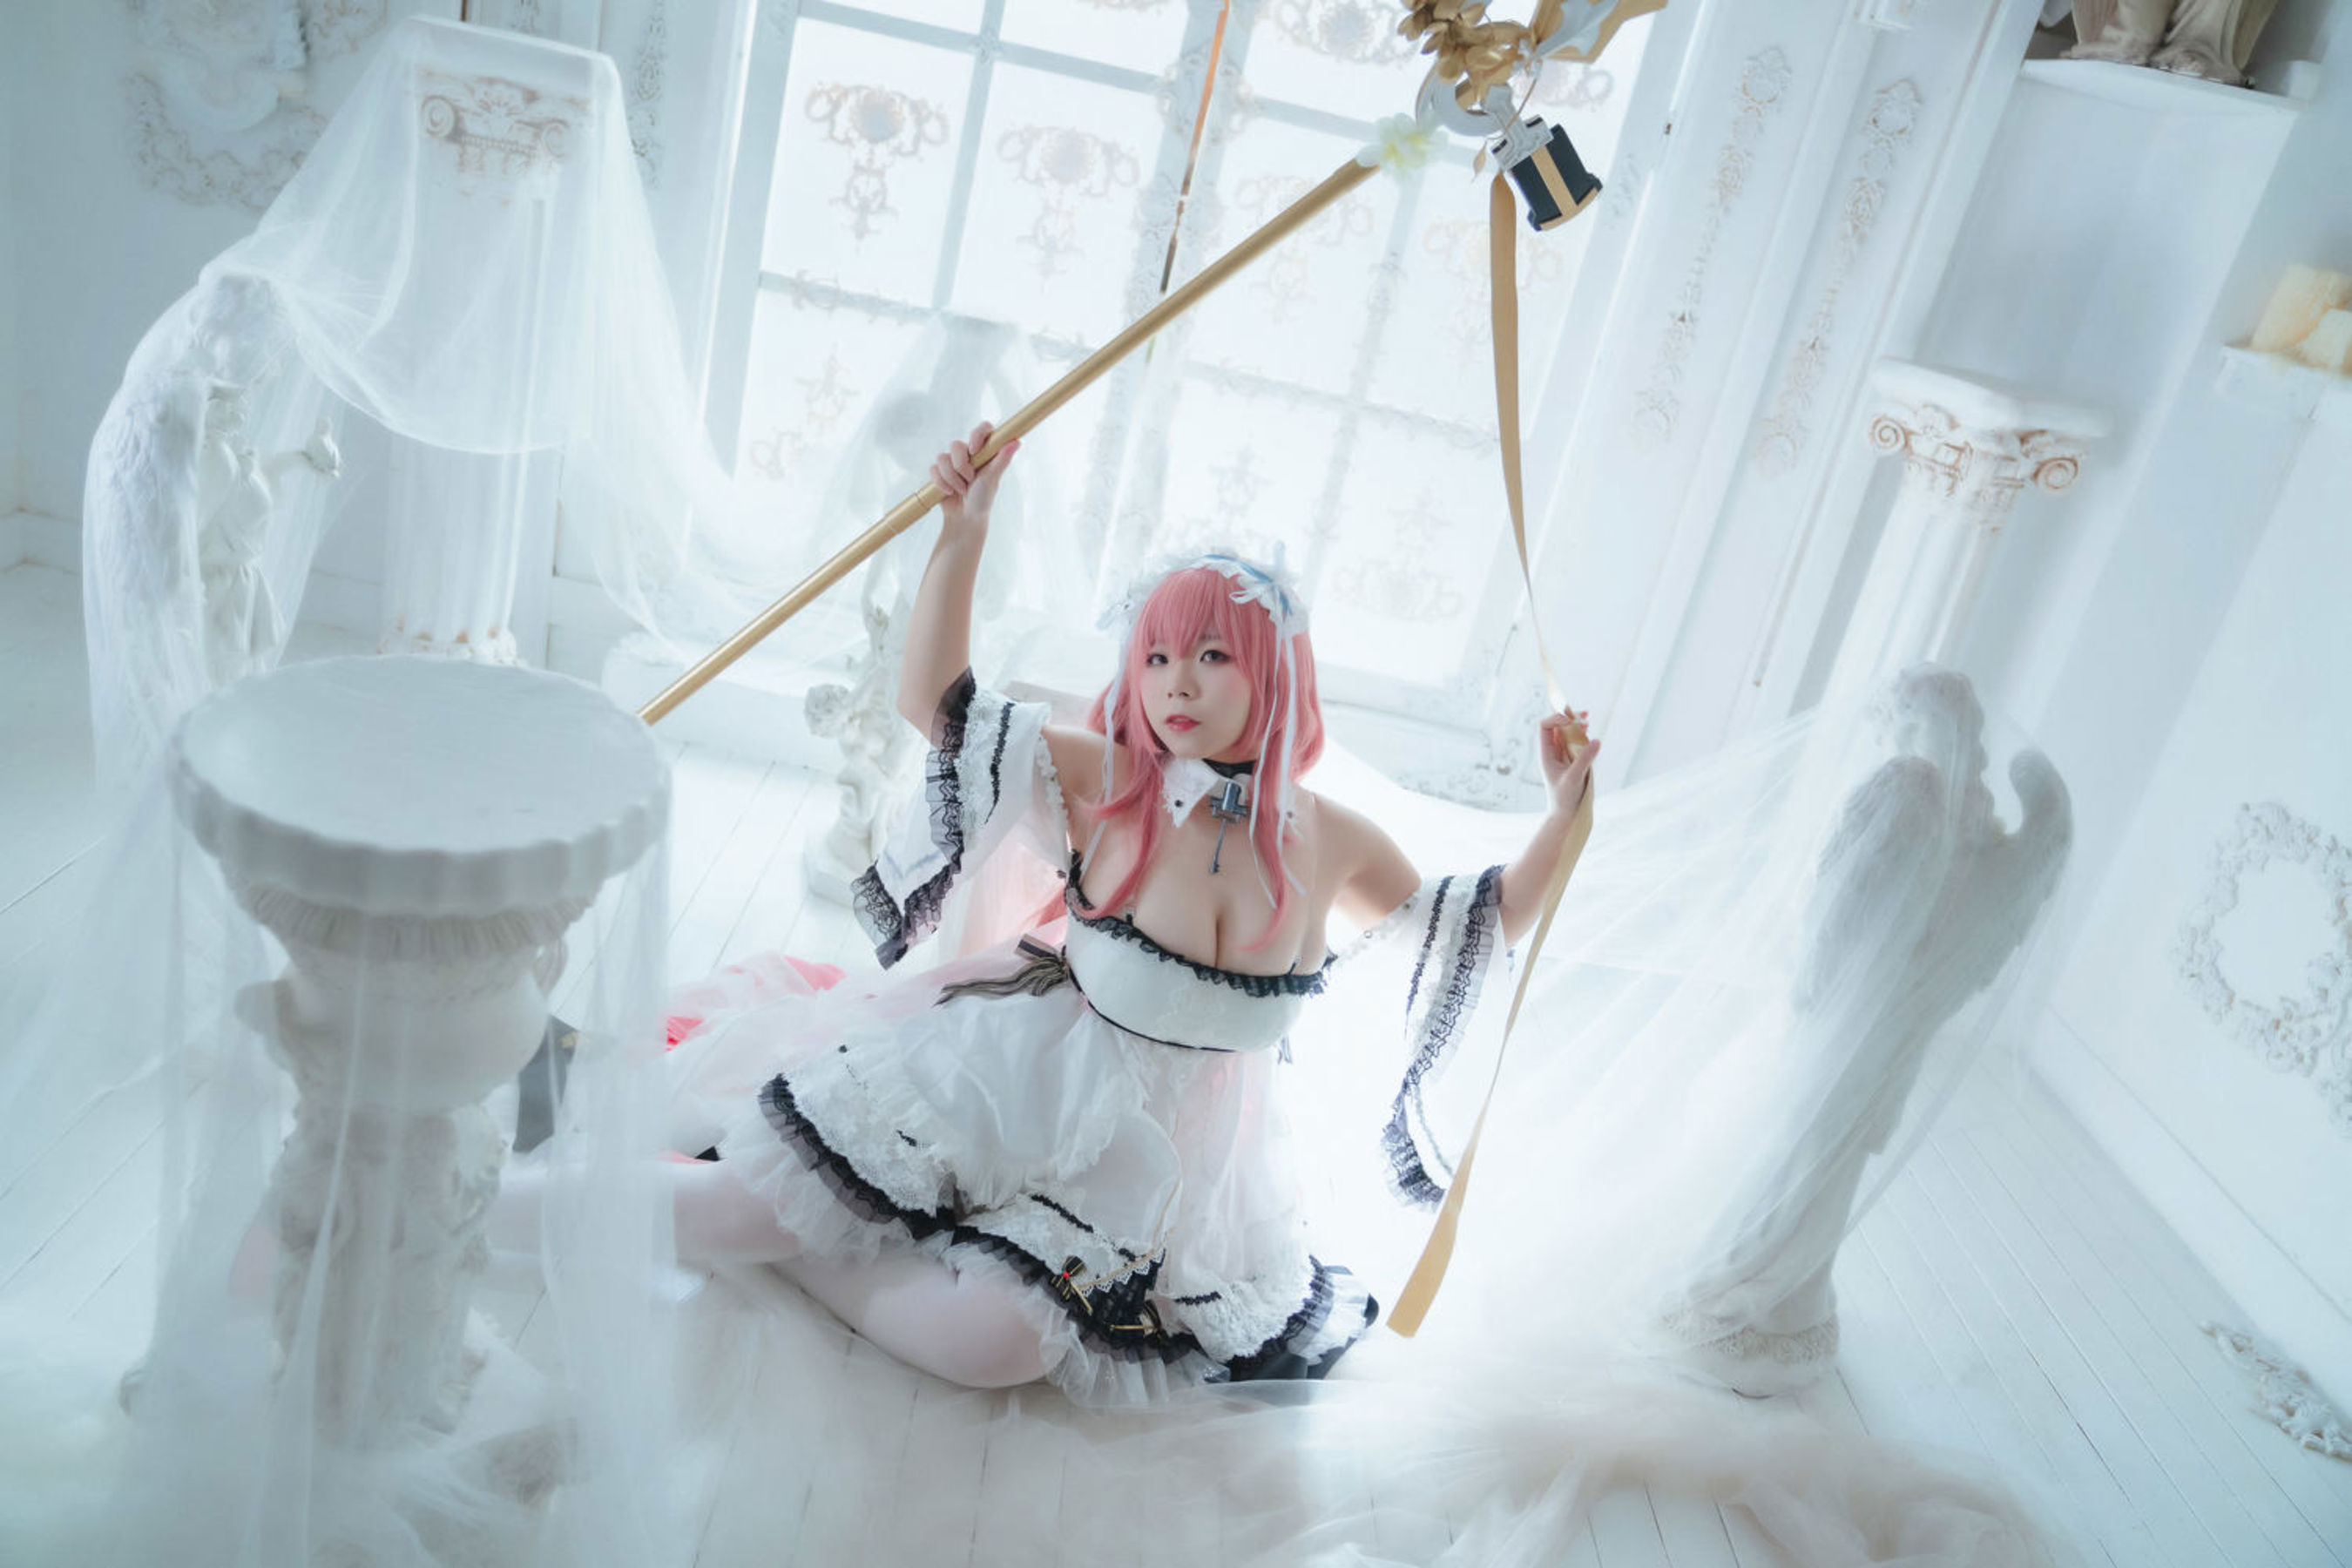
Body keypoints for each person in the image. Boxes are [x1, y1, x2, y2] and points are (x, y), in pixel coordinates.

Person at [633, 422, 1597, 1405]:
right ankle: (647, 1204)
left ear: (1274, 673)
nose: (1179, 681)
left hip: (1165, 1174)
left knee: (1001, 1347)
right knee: (736, 1207)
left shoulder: (1334, 838)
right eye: (1157, 656)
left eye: (1213, 655)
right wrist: (964, 531)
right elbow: (937, 705)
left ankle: (822, 1242)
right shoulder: (1113, 781)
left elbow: (1473, 926)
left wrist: (1562, 819)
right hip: (1017, 1081)